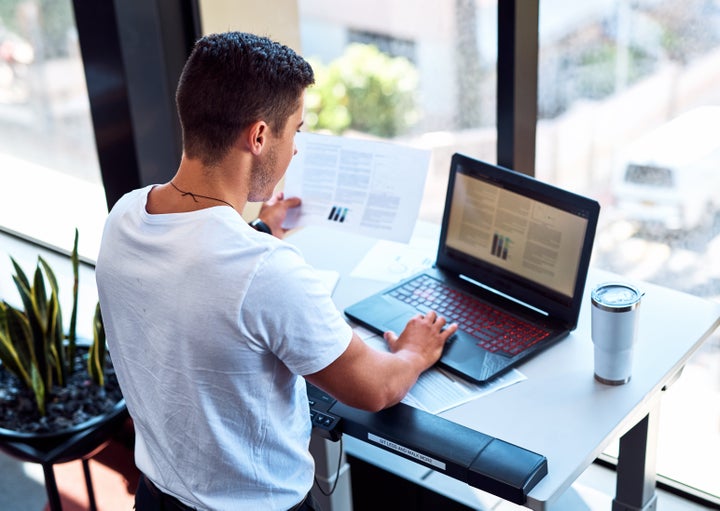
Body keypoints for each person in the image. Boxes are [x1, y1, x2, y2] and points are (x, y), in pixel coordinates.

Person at [95, 31, 457, 511]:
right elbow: (375, 388)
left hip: (157, 495)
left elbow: (197, 273)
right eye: (297, 131)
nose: (297, 150)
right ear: (260, 136)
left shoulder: (126, 216)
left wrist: (263, 226)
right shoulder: (267, 273)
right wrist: (414, 352)